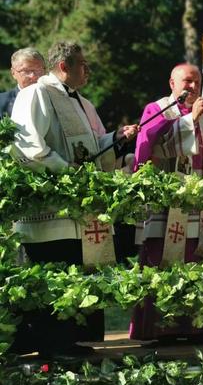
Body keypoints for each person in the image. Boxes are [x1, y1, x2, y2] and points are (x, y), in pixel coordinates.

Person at [9, 41, 139, 357]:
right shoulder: (36, 93)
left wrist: (116, 141)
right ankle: (50, 346)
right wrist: (68, 173)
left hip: (77, 210)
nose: (87, 70)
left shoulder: (80, 102)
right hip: (50, 209)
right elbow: (28, 148)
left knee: (71, 273)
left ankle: (66, 341)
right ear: (64, 66)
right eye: (83, 64)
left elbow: (90, 150)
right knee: (52, 274)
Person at [129, 62, 203, 342]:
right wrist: (190, 121)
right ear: (171, 83)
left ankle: (201, 327)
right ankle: (163, 328)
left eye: (196, 81)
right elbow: (147, 145)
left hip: (200, 210)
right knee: (165, 263)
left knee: (200, 263)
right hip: (168, 205)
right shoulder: (157, 108)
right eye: (186, 81)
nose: (192, 86)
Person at [0, 47, 46, 116]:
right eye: (26, 71)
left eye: (38, 70)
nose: (33, 76)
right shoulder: (2, 102)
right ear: (13, 73)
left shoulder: (55, 97)